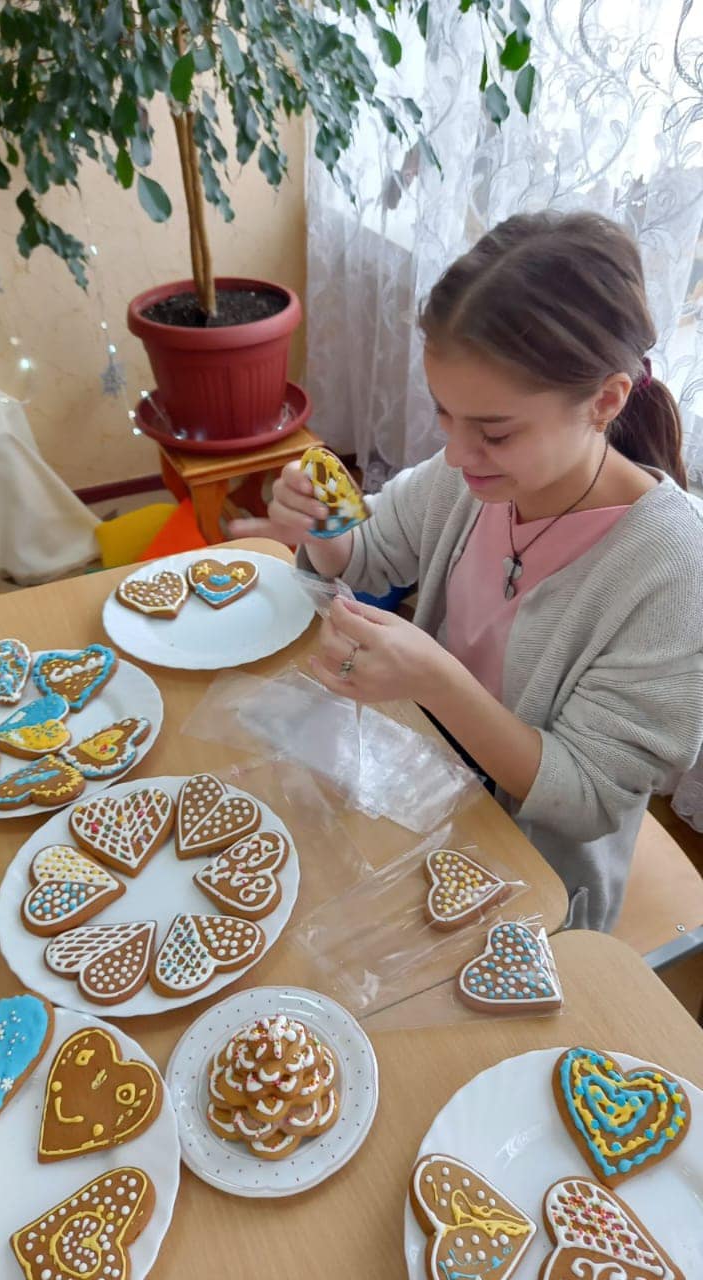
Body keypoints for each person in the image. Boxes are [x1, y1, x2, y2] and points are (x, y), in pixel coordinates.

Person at [230, 211, 703, 932]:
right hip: (412, 793)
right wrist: (322, 526)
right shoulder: (473, 478)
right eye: (445, 415)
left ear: (606, 401)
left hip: (533, 882)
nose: (455, 453)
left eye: (495, 431)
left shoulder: (673, 569)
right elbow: (369, 555)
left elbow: (589, 796)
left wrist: (435, 681)